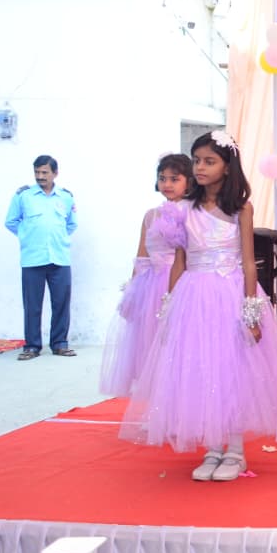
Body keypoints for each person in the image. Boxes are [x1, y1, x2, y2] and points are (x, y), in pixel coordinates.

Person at [120, 131, 277, 481]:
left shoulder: (240, 209)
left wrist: (251, 311)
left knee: (232, 370)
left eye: (209, 161)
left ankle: (235, 451)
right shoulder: (183, 210)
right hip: (193, 296)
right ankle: (212, 447)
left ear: (228, 166)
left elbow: (248, 262)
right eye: (197, 161)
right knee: (201, 369)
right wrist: (169, 306)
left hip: (229, 294)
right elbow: (180, 261)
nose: (200, 167)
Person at [99, 154, 192, 396]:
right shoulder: (151, 215)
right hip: (150, 286)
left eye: (174, 179)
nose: (167, 184)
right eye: (162, 178)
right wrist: (132, 292)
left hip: (178, 283)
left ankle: (178, 397)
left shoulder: (193, 212)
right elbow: (142, 255)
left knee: (177, 343)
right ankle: (156, 399)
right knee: (150, 343)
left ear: (189, 181)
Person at [5, 155, 77, 360]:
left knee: (61, 303)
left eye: (45, 172)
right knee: (32, 305)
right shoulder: (24, 196)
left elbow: (71, 224)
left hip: (59, 258)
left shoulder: (65, 197)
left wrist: (58, 239)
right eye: (37, 172)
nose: (40, 176)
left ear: (55, 173)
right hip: (32, 258)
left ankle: (60, 344)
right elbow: (11, 222)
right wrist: (28, 236)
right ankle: (32, 346)